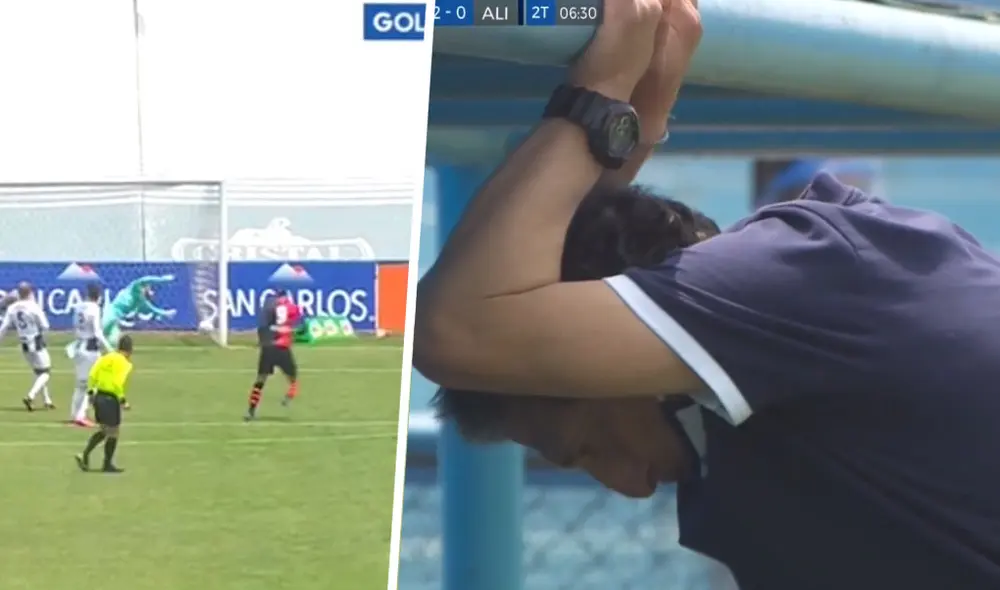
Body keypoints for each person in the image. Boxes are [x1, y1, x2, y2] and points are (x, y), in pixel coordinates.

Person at [413, 0, 1000, 588]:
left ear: (602, 367)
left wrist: (597, 97)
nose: (632, 486)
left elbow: (457, 331)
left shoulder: (808, 278)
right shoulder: (757, 433)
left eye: (587, 446)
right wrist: (628, 123)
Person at [76, 334, 134, 474]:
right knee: (113, 432)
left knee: (104, 430)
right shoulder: (125, 364)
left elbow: (92, 374)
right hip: (110, 398)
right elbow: (117, 383)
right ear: (130, 350)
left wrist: (90, 392)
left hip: (98, 396)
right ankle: (106, 464)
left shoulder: (106, 357)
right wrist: (122, 400)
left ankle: (86, 455)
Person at [245, 289, 301, 421]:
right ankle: (290, 394)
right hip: (282, 347)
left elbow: (263, 326)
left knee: (261, 379)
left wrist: (262, 341)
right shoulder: (292, 308)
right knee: (293, 377)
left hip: (269, 347)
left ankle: (251, 409)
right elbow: (298, 321)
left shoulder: (269, 307)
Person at [0, 281, 54, 410]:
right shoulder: (33, 306)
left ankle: (47, 400)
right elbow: (45, 325)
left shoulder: (12, 308)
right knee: (46, 372)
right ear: (30, 292)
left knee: (38, 372)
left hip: (24, 343)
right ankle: (31, 396)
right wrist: (43, 337)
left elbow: (4, 327)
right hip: (35, 340)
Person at [66, 283, 114, 427]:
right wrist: (110, 350)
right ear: (98, 296)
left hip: (79, 346)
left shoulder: (78, 306)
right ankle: (81, 415)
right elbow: (97, 332)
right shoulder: (95, 309)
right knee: (91, 383)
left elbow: (75, 325)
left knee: (80, 384)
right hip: (91, 349)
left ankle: (75, 414)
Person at [102, 275, 177, 346]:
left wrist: (166, 313)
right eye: (147, 288)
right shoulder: (134, 287)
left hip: (116, 319)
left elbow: (152, 308)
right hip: (110, 313)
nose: (147, 289)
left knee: (114, 341)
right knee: (99, 333)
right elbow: (147, 279)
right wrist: (163, 279)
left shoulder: (140, 300)